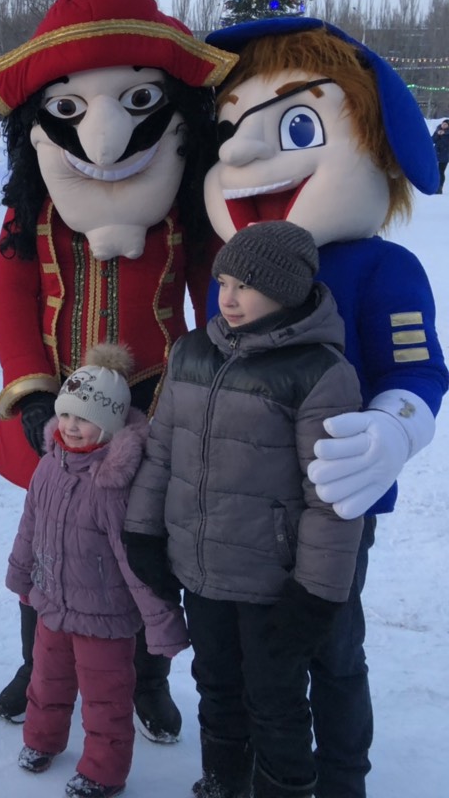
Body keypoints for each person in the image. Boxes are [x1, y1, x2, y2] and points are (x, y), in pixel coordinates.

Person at [0, 0, 235, 737]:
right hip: (63, 410)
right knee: (51, 544)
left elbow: (217, 295)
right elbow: (11, 295)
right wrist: (28, 391)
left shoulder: (182, 201)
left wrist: (213, 379)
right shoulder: (38, 204)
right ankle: (39, 663)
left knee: (148, 551)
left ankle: (148, 678)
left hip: (155, 400)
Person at [202, 17, 448, 797]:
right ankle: (254, 764)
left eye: (295, 123)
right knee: (246, 647)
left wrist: (394, 428)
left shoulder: (382, 269)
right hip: (243, 507)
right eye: (229, 131)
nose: (239, 154)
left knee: (331, 647)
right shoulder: (230, 269)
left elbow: (420, 373)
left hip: (334, 506)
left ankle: (343, 775)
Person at [125, 221, 365, 798]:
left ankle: (284, 788)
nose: (227, 298)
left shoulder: (320, 373)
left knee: (276, 702)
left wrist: (316, 592)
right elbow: (161, 452)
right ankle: (223, 781)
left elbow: (331, 499)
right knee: (216, 687)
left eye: (245, 287)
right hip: (200, 570)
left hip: (270, 583)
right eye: (224, 282)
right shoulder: (191, 352)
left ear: (285, 290)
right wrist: (143, 531)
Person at [9, 344, 188, 798]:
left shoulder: (113, 485)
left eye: (83, 419)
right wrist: (21, 576)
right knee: (45, 681)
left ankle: (103, 771)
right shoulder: (49, 466)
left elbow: (135, 561)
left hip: (105, 619)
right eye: (65, 415)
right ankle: (41, 739)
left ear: (108, 425)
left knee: (106, 699)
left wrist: (160, 622)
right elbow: (30, 524)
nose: (70, 426)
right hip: (53, 604)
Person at [433, 119, 449, 193]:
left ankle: (439, 188)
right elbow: (432, 140)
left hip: (445, 155)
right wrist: (437, 134)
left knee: (441, 172)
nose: (443, 125)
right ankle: (434, 186)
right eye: (443, 123)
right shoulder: (438, 130)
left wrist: (444, 134)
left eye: (445, 124)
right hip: (436, 154)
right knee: (435, 171)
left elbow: (446, 143)